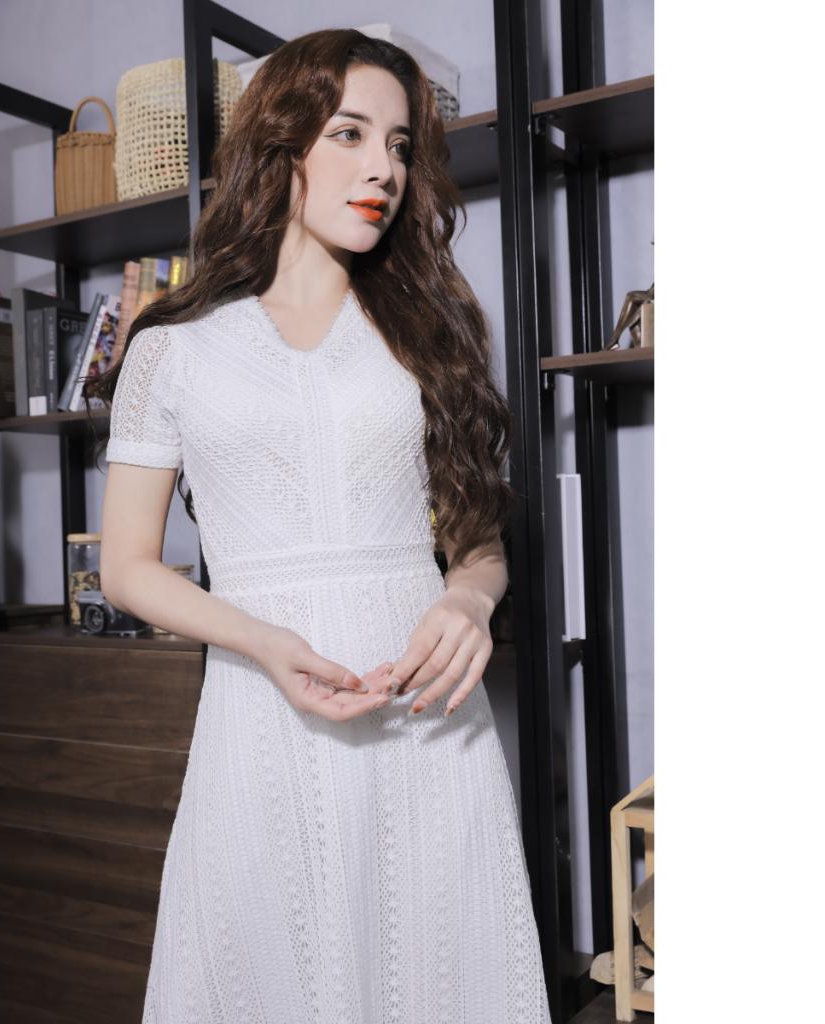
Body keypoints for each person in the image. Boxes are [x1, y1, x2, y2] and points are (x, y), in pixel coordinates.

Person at [87, 27, 552, 1024]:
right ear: (281, 140)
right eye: (350, 133)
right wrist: (262, 639)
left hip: (425, 713)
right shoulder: (170, 347)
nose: (383, 167)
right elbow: (126, 566)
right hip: (261, 710)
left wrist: (470, 600)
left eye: (399, 144)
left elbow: (475, 537)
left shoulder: (430, 329)